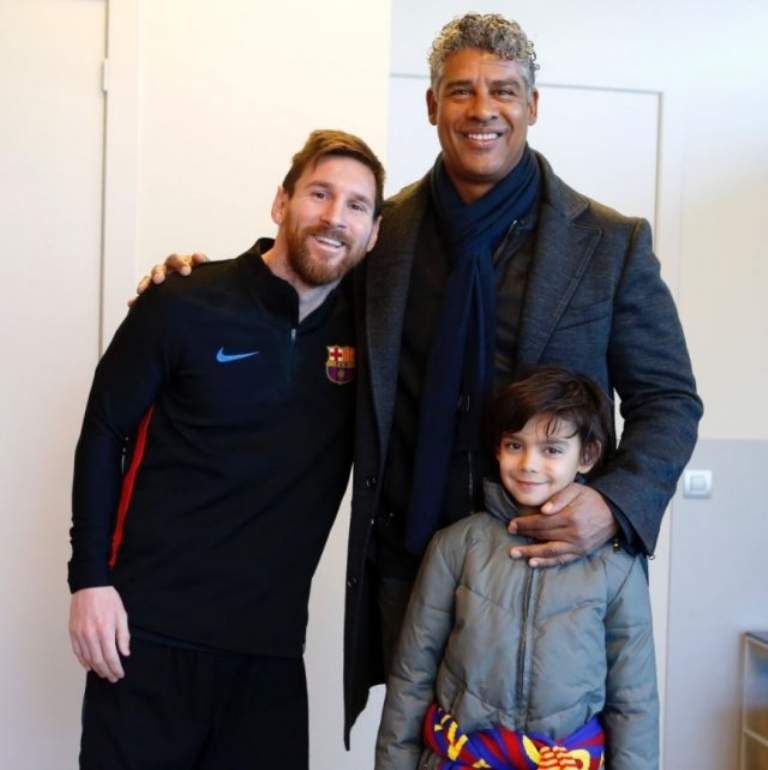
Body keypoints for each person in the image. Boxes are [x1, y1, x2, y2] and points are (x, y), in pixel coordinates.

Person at [139, 13, 702, 748]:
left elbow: (669, 400)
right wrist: (197, 285)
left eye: (504, 90)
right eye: (461, 90)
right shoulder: (384, 232)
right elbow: (298, 285)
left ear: (533, 106)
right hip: (408, 568)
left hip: (551, 568)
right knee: (413, 749)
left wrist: (613, 505)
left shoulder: (610, 243)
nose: (482, 109)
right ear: (432, 104)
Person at [67, 129, 383, 769]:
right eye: (319, 193)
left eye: (356, 206)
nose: (334, 217)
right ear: (281, 203)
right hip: (145, 637)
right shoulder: (181, 300)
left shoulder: (373, 335)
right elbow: (104, 431)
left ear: (374, 234)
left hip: (269, 659)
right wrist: (89, 580)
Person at [375, 366, 658, 770]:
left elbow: (634, 702)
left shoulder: (617, 566)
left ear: (587, 455)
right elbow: (411, 678)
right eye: (514, 445)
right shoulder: (454, 547)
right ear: (497, 448)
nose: (528, 464)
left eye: (552, 449)